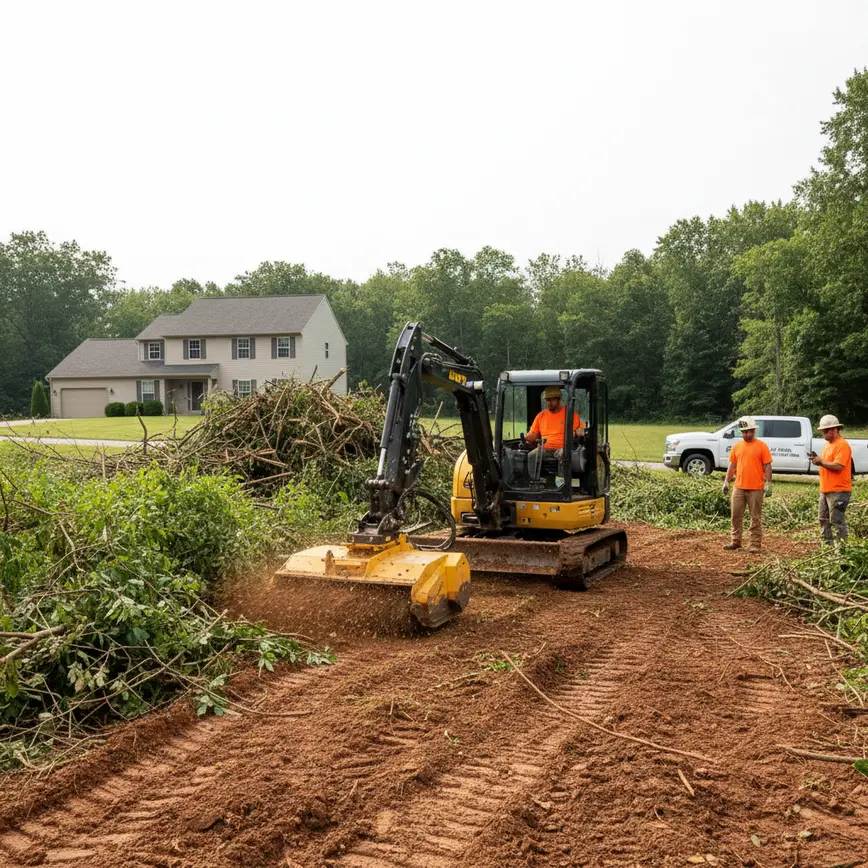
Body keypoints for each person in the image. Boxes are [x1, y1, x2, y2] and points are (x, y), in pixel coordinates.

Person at [722, 416, 773, 553]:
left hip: (756, 488)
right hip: (739, 486)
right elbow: (732, 465)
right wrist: (726, 481)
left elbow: (767, 466)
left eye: (749, 431)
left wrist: (768, 483)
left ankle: (755, 544)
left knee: (755, 516)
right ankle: (735, 541)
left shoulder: (762, 446)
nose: (746, 434)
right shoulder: (737, 446)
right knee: (735, 515)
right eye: (744, 432)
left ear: (754, 431)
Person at [525, 385, 584, 478]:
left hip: (562, 448)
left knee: (563, 454)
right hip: (546, 448)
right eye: (547, 400)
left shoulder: (569, 414)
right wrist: (526, 437)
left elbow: (578, 431)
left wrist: (579, 431)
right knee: (531, 455)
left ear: (559, 399)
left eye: (552, 400)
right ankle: (534, 483)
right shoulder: (541, 416)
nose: (549, 403)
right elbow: (533, 434)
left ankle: (561, 483)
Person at [811, 414, 852, 542]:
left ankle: (841, 550)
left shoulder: (842, 445)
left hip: (839, 490)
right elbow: (825, 463)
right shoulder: (828, 445)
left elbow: (838, 466)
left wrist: (821, 462)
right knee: (823, 519)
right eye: (823, 431)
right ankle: (827, 549)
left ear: (835, 429)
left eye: (826, 431)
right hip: (826, 489)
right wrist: (819, 461)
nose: (824, 434)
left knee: (837, 521)